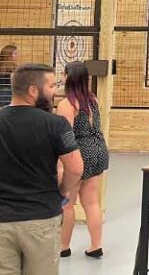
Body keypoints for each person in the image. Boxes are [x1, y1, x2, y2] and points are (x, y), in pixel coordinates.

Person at [0, 63, 83, 274]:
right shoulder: (56, 124)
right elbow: (75, 168)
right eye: (52, 86)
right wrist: (63, 190)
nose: (56, 91)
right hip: (41, 219)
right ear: (33, 90)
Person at [57, 62, 109, 259]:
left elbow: (65, 137)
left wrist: (61, 165)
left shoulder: (66, 104)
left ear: (68, 77)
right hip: (98, 150)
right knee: (91, 202)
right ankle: (96, 245)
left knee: (67, 204)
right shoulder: (92, 99)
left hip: (79, 153)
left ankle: (63, 246)